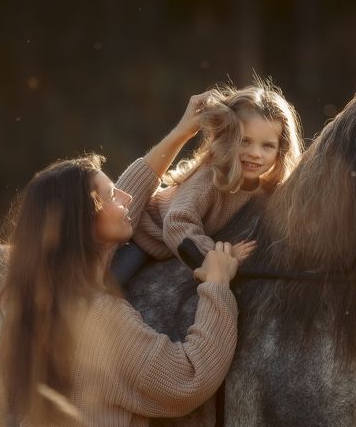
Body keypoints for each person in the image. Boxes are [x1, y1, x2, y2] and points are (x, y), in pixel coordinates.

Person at [0, 93, 240, 427]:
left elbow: (121, 211)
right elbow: (188, 378)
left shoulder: (34, 306)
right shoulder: (101, 319)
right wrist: (217, 285)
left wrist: (182, 132)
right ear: (83, 223)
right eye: (111, 196)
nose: (126, 198)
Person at [112, 78, 303, 284]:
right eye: (244, 141)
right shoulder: (210, 179)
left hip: (175, 250)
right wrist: (219, 257)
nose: (255, 153)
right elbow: (177, 223)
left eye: (267, 146)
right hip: (145, 237)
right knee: (112, 284)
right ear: (227, 140)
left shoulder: (265, 191)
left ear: (281, 150)